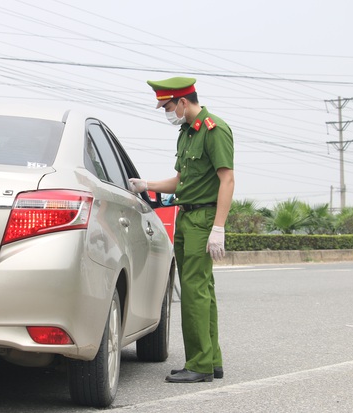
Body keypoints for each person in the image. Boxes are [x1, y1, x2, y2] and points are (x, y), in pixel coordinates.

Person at [129, 77, 234, 383]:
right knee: (203, 291)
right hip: (187, 217)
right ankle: (211, 360)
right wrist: (145, 184)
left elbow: (227, 179)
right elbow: (179, 182)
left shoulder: (215, 129)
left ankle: (199, 365)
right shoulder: (187, 133)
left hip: (203, 219)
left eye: (168, 106)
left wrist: (219, 227)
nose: (167, 112)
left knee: (193, 292)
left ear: (184, 102)